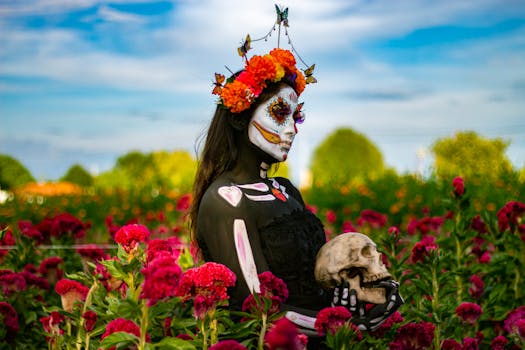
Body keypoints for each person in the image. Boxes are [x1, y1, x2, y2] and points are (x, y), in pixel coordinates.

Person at [189, 48, 403, 339]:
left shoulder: (285, 190)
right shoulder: (227, 200)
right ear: (240, 119)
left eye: (296, 116)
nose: (292, 129)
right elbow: (258, 310)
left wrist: (360, 300)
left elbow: (316, 279)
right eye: (279, 113)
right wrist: (343, 327)